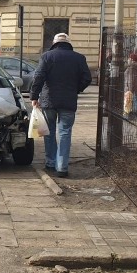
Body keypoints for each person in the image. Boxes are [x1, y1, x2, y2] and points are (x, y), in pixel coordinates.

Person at [29, 33, 92, 178]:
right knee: (65, 132)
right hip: (68, 101)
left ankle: (50, 163)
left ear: (54, 43)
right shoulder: (79, 58)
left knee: (49, 131)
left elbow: (38, 77)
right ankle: (62, 167)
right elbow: (87, 78)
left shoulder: (47, 56)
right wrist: (76, 89)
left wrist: (34, 96)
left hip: (48, 100)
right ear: (68, 43)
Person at [123, 53, 137, 120]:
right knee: (134, 102)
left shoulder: (131, 68)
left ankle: (131, 116)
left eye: (129, 58)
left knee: (130, 102)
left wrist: (129, 90)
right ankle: (134, 115)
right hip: (136, 89)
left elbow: (130, 80)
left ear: (132, 60)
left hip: (131, 89)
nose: (128, 59)